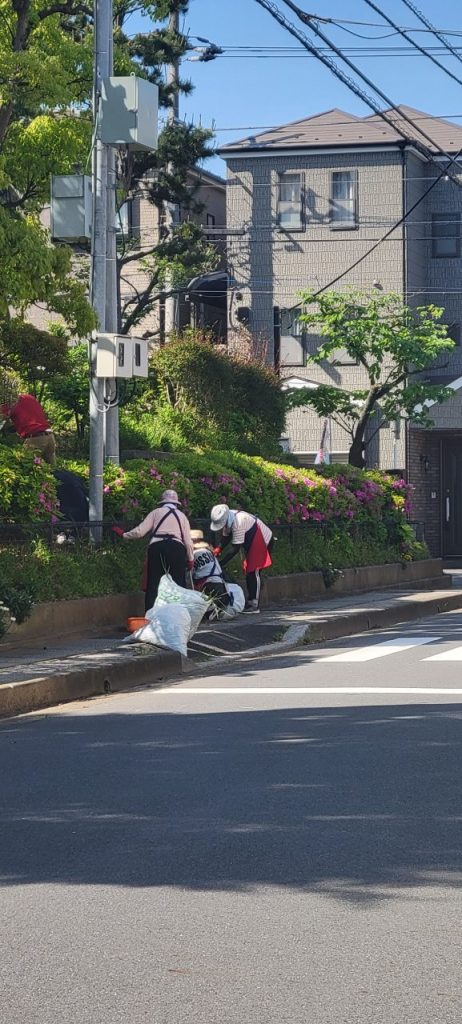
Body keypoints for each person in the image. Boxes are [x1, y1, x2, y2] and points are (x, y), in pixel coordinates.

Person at [113, 489, 194, 612]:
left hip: (157, 548)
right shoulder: (182, 517)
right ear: (177, 504)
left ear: (162, 503)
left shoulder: (155, 513)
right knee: (178, 584)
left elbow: (140, 531)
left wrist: (125, 535)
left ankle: (150, 615)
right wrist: (190, 559)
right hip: (177, 549)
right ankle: (179, 614)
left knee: (154, 583)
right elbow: (188, 541)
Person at [210, 504, 273, 614]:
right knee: (249, 572)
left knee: (254, 571)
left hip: (262, 540)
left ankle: (254, 604)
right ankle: (252, 598)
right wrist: (218, 549)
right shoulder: (229, 518)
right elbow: (226, 537)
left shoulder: (239, 521)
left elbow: (235, 548)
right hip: (252, 541)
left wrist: (221, 563)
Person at [0, 393, 56, 466]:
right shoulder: (28, 397)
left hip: (36, 440)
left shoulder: (8, 404)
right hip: (49, 438)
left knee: (25, 466)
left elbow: (2, 422)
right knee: (51, 470)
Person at [190, 529, 231, 618]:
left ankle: (209, 608)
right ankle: (214, 608)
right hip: (222, 587)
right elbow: (219, 570)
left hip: (207, 587)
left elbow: (190, 574)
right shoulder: (210, 553)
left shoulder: (193, 554)